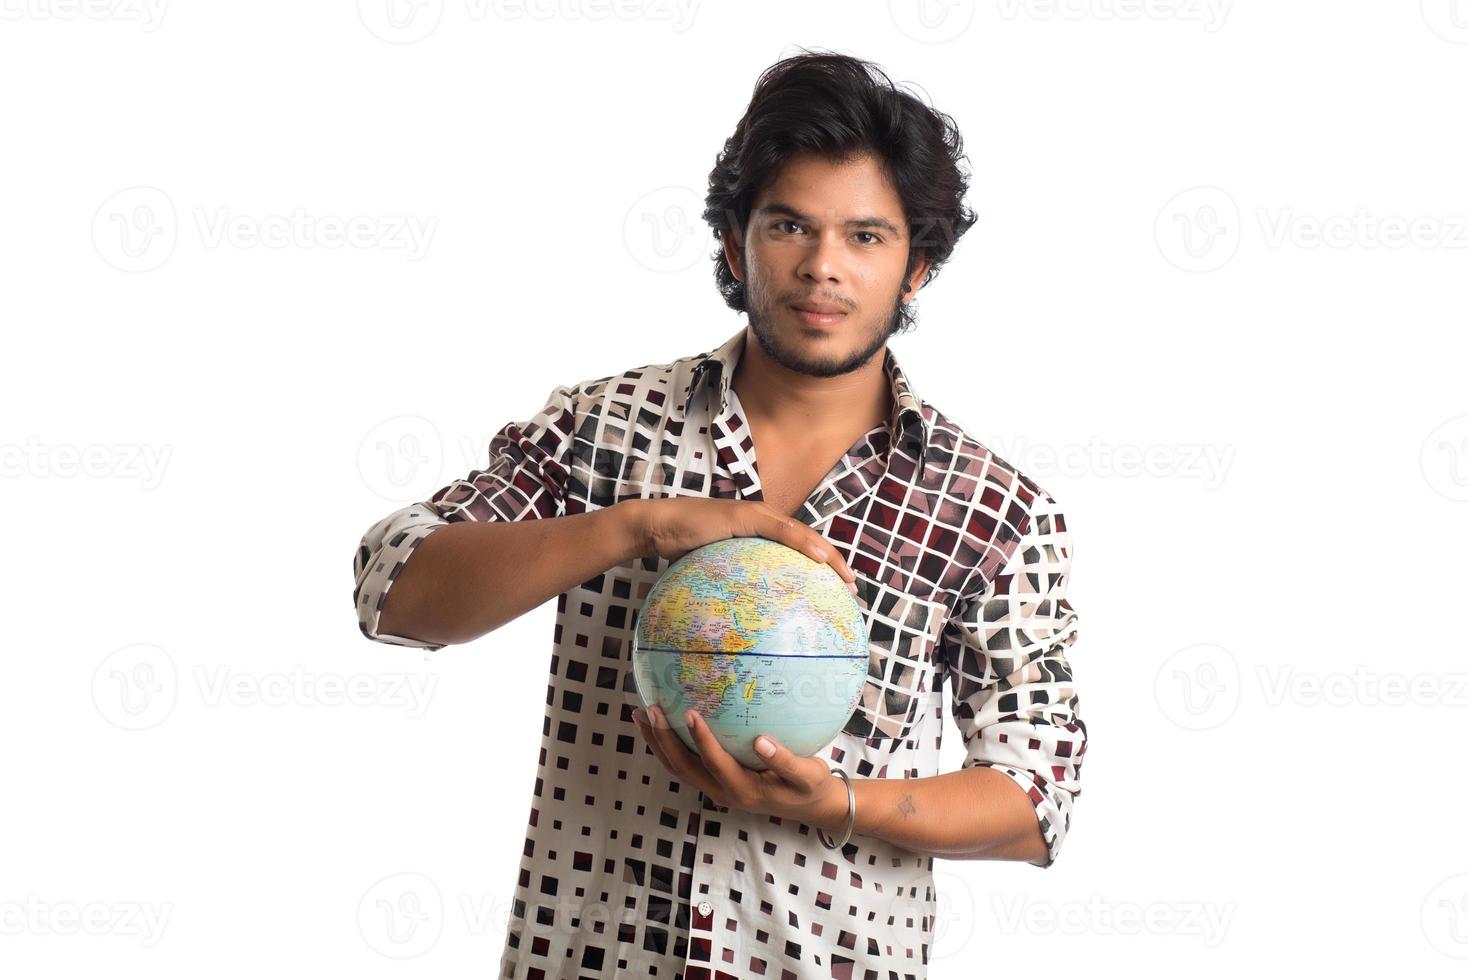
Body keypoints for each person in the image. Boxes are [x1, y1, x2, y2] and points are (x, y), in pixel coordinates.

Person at [352, 49, 1086, 980]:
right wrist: (637, 527)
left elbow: (1036, 793)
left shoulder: (992, 509)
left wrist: (839, 805)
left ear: (918, 269)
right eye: (790, 226)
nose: (823, 268)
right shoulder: (600, 427)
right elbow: (394, 588)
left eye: (866, 236)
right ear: (735, 243)